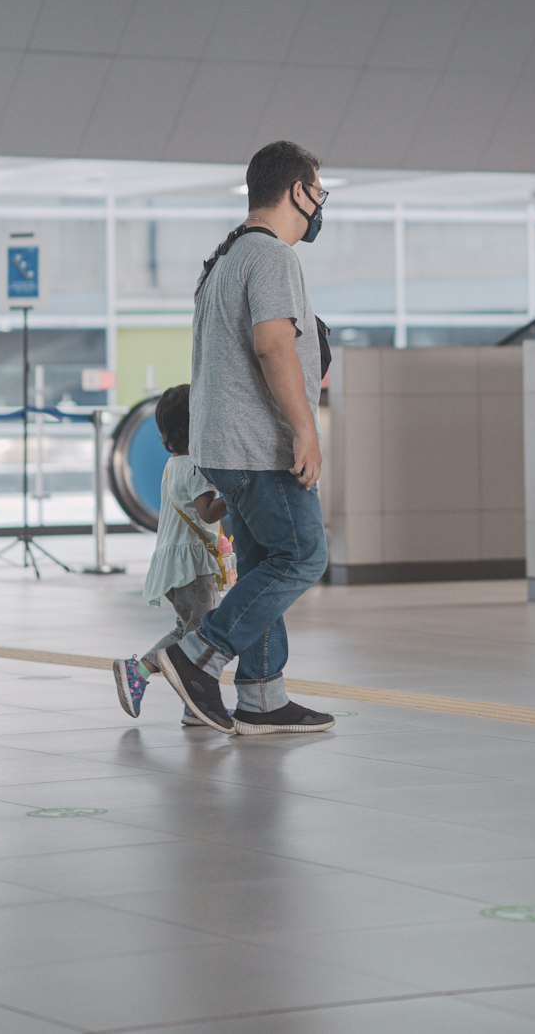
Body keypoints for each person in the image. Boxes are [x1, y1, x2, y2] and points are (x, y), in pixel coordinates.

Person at [154, 140, 335, 737]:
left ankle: (262, 697)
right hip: (261, 447)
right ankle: (196, 656)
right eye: (317, 189)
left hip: (223, 447)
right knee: (304, 555)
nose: (320, 202)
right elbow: (273, 345)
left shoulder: (224, 256)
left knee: (261, 559)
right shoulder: (273, 256)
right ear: (296, 191)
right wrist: (305, 430)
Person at [113, 384, 229, 728]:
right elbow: (208, 513)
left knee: (187, 630)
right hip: (192, 565)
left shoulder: (174, 464)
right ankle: (142, 670)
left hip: (173, 562)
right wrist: (239, 493)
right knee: (204, 636)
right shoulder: (195, 467)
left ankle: (193, 706)